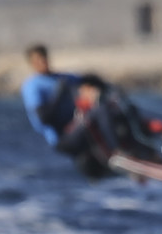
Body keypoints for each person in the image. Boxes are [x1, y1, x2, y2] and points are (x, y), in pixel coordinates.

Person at [19, 44, 114, 178]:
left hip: (78, 128)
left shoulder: (61, 78)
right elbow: (44, 118)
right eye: (37, 60)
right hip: (62, 138)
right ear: (31, 64)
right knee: (100, 112)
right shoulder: (32, 86)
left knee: (112, 109)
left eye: (44, 58)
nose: (42, 62)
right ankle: (115, 150)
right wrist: (58, 95)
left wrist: (106, 87)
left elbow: (88, 79)